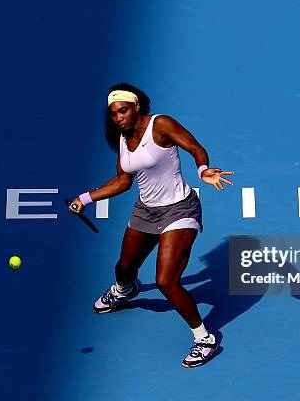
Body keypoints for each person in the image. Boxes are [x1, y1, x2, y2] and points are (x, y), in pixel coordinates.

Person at [68, 83, 233, 368]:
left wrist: (204, 170)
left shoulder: (161, 124)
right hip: (145, 211)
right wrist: (85, 199)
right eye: (113, 114)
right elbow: (123, 181)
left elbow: (195, 148)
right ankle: (125, 290)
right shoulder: (122, 138)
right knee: (123, 269)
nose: (118, 117)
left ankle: (205, 339)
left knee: (166, 281)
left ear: (137, 107)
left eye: (122, 111)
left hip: (180, 210)